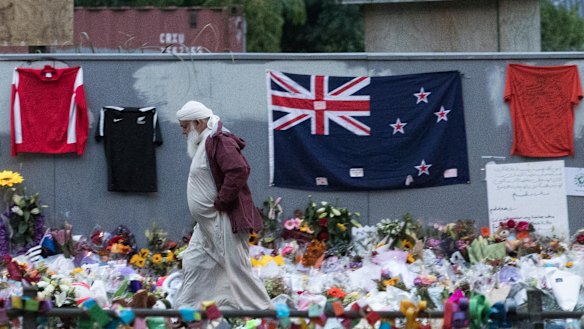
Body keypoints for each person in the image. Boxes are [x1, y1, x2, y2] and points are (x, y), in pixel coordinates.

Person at [174, 100, 272, 311]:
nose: (183, 132)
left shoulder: (218, 140)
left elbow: (239, 169)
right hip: (207, 223)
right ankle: (188, 309)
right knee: (194, 261)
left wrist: (222, 201)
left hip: (222, 220)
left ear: (198, 122)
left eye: (184, 126)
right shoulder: (207, 140)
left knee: (237, 269)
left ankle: (266, 314)